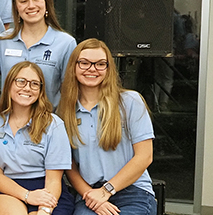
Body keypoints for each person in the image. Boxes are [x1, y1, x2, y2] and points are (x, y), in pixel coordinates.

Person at [57, 39, 157, 215]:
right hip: (90, 195)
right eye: (85, 63)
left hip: (132, 192)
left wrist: (106, 191)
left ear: (108, 69)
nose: (92, 69)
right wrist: (91, 195)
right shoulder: (64, 112)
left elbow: (144, 157)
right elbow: (69, 166)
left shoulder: (130, 102)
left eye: (100, 64)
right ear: (74, 66)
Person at [0, 61, 74, 215]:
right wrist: (27, 196)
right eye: (21, 81)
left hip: (47, 190)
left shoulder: (53, 124)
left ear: (40, 91)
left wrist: (44, 211)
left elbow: (54, 180)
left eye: (34, 84)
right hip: (8, 190)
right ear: (9, 85)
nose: (27, 88)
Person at [0, 0, 76, 108]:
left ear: (47, 3)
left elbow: (70, 91)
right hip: (9, 123)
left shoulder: (66, 43)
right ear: (16, 7)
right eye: (23, 0)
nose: (31, 5)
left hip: (48, 122)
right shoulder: (3, 41)